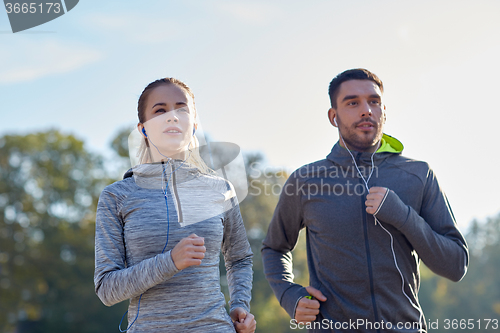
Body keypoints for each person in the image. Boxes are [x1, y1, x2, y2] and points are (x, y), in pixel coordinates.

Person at [261, 69, 468, 332]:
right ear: (333, 116)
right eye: (352, 103)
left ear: (384, 110)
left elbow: (456, 265)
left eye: (374, 101)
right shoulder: (305, 181)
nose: (366, 110)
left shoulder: (418, 174)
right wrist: (289, 295)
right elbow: (274, 248)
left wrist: (403, 216)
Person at [94, 78, 256, 333]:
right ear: (143, 128)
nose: (172, 117)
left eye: (181, 109)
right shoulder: (117, 196)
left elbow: (239, 258)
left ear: (193, 124)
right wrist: (170, 261)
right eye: (160, 110)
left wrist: (240, 305)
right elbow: (106, 289)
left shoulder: (221, 189)